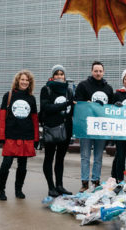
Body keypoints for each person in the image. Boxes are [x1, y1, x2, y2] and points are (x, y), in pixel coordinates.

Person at [0, 70, 39, 201]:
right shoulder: (8, 96)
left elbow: (34, 119)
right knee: (6, 163)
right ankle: (0, 190)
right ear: (17, 81)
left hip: (26, 135)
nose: (25, 82)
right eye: (22, 79)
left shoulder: (31, 98)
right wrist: (1, 136)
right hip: (11, 135)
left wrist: (36, 138)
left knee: (23, 165)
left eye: (27, 80)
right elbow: (2, 116)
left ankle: (18, 189)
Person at [74, 61, 114, 192]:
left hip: (101, 127)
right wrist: (87, 103)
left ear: (103, 72)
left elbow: (111, 108)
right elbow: (77, 103)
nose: (98, 73)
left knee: (98, 156)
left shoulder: (108, 89)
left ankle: (95, 181)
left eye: (100, 71)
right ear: (92, 71)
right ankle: (84, 182)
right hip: (86, 127)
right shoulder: (83, 85)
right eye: (96, 71)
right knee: (85, 156)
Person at [40, 65, 74, 197]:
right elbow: (46, 107)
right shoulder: (47, 89)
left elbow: (73, 109)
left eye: (62, 74)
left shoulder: (69, 91)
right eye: (57, 74)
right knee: (49, 158)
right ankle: (51, 186)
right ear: (53, 76)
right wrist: (66, 104)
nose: (59, 76)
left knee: (60, 158)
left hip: (66, 129)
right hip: (52, 129)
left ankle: (59, 185)